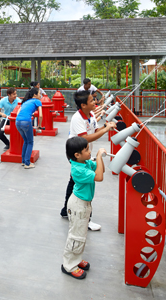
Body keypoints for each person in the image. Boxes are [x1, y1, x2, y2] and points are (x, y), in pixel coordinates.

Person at [60, 90, 115, 231]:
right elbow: (84, 138)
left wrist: (107, 127)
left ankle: (66, 210)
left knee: (74, 180)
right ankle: (86, 219)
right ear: (83, 105)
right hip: (77, 153)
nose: (95, 102)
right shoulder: (77, 118)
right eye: (91, 101)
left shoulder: (90, 115)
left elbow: (95, 131)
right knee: (84, 185)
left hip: (83, 153)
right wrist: (105, 130)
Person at [61, 136, 106, 280]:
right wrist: (98, 156)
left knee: (81, 235)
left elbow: (101, 170)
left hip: (84, 204)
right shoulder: (77, 169)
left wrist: (99, 158)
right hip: (78, 205)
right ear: (77, 155)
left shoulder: (85, 162)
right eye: (87, 149)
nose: (89, 151)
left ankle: (77, 258)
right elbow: (99, 177)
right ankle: (69, 265)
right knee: (76, 235)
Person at [15, 87, 43, 168]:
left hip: (18, 122)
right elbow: (40, 115)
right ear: (35, 95)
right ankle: (27, 163)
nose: (40, 95)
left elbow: (18, 112)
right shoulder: (37, 101)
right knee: (30, 142)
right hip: (26, 122)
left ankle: (23, 161)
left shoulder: (25, 102)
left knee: (26, 141)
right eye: (39, 93)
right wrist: (39, 126)